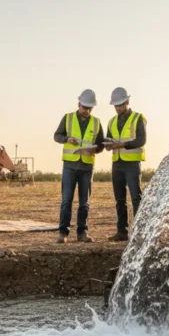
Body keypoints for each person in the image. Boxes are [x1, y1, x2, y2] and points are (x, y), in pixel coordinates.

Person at [53, 89, 105, 243]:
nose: (87, 111)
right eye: (84, 107)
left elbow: (101, 145)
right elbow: (57, 136)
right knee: (66, 201)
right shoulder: (68, 118)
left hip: (87, 168)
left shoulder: (96, 123)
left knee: (84, 203)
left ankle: (82, 233)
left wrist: (95, 149)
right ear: (79, 104)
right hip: (69, 166)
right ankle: (63, 233)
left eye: (90, 108)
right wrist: (67, 139)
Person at [103, 87, 147, 242]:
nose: (117, 108)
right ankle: (122, 232)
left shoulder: (138, 118)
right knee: (120, 199)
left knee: (136, 197)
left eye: (120, 105)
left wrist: (121, 145)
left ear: (127, 102)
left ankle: (140, 232)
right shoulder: (111, 121)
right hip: (117, 164)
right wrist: (108, 145)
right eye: (115, 106)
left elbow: (141, 140)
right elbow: (108, 140)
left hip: (132, 164)